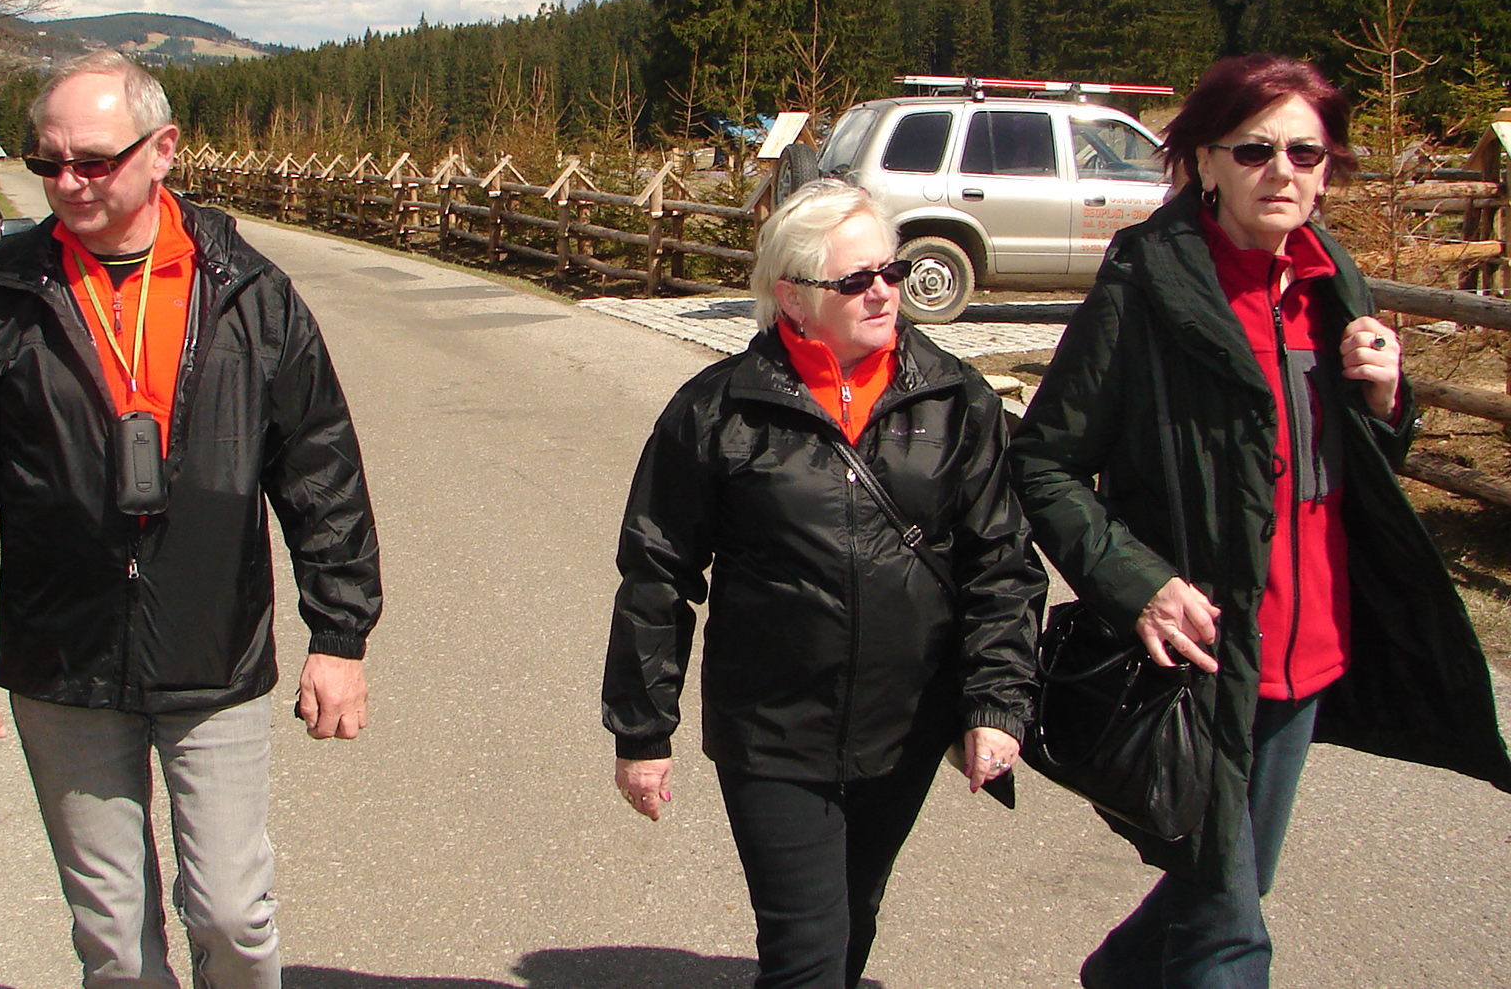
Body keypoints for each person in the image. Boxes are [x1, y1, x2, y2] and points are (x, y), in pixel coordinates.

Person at [1008, 54, 1511, 989]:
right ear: (1205, 161)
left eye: (1306, 153)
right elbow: (1043, 462)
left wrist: (1385, 402)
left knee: (1228, 878)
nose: (1283, 171)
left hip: (1309, 648)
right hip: (1206, 652)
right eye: (1255, 149)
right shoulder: (1146, 287)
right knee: (1230, 931)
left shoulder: (1332, 282)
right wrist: (1139, 584)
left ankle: (1121, 972)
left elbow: (1340, 466)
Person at [0, 49, 381, 989]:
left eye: (92, 160)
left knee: (233, 912)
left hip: (213, 648)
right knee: (114, 939)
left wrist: (340, 633)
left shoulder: (249, 291)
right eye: (47, 163)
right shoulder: (1, 296)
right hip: (64, 659)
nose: (67, 182)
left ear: (162, 150)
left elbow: (321, 468)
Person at [601, 178, 1045, 989]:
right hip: (771, 729)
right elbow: (657, 572)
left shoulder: (957, 400)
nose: (884, 291)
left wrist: (996, 702)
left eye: (892, 270)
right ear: (792, 296)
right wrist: (642, 731)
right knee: (805, 945)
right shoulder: (718, 410)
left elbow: (1001, 561)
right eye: (856, 278)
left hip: (905, 725)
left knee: (853, 915)